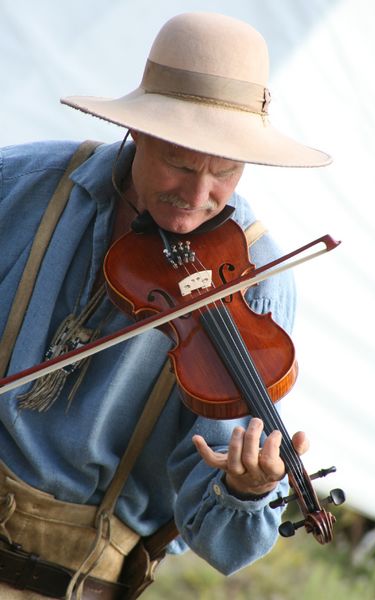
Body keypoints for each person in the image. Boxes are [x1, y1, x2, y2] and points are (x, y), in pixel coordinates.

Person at [0, 12, 331, 600]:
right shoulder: (22, 183)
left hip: (68, 579)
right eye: (180, 162)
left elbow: (217, 536)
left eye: (224, 172)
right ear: (138, 132)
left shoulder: (255, 283)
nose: (196, 197)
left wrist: (246, 491)